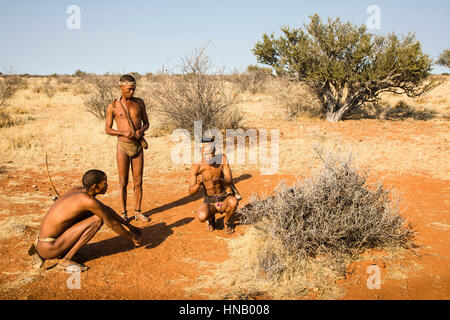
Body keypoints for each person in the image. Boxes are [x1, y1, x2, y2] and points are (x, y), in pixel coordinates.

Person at [28, 169, 142, 271]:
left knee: (95, 213)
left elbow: (106, 209)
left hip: (45, 243)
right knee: (97, 219)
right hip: (49, 246)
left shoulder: (78, 191)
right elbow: (111, 224)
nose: (107, 185)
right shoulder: (88, 201)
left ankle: (63, 254)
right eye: (105, 183)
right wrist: (132, 238)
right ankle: (66, 260)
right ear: (95, 187)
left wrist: (129, 226)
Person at [105, 74, 150, 222]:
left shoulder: (140, 103)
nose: (132, 92)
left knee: (138, 181)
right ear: (121, 87)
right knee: (123, 182)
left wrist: (141, 131)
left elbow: (146, 123)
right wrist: (122, 132)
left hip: (137, 145)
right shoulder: (113, 106)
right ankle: (123, 214)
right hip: (122, 146)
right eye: (129, 89)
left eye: (134, 89)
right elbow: (108, 129)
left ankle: (138, 212)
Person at [188, 142, 239, 234]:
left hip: (224, 198)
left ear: (215, 151)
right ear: (201, 153)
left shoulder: (222, 159)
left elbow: (230, 180)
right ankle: (210, 219)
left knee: (234, 202)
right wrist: (198, 184)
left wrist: (220, 180)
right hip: (210, 201)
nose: (210, 156)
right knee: (202, 216)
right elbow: (191, 191)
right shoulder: (196, 167)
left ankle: (226, 222)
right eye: (206, 154)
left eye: (212, 152)